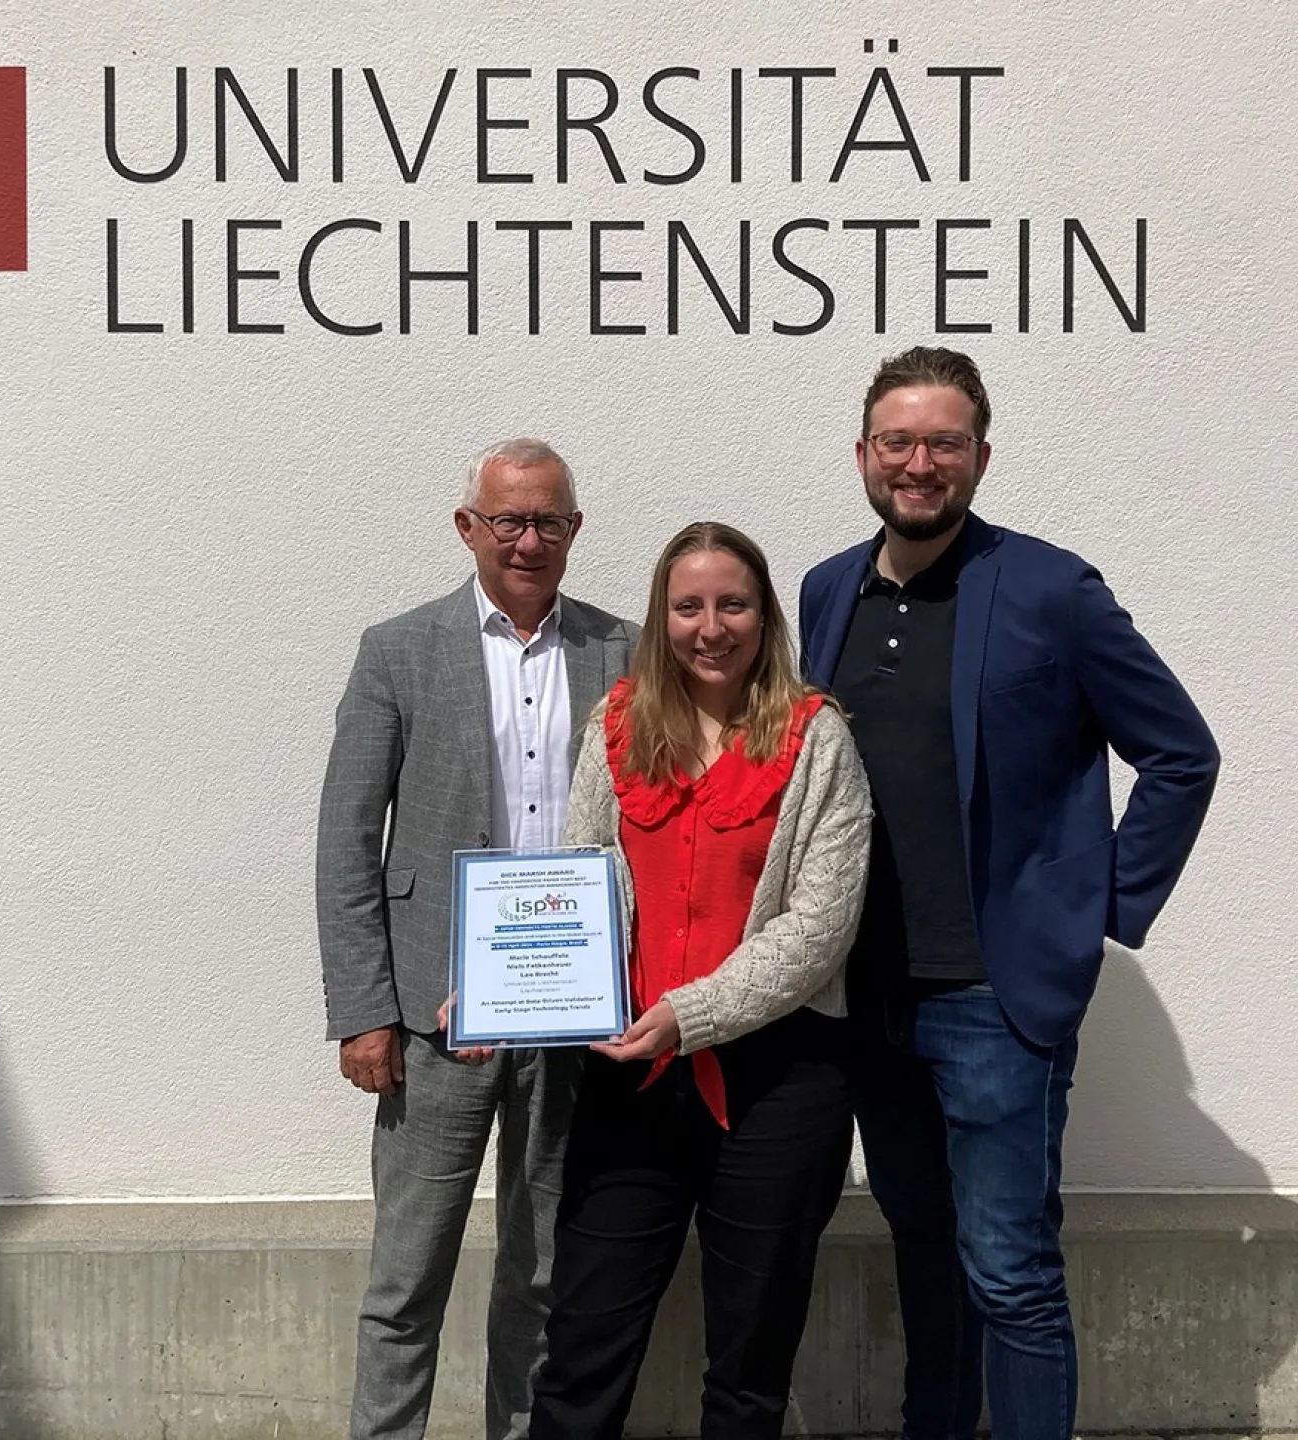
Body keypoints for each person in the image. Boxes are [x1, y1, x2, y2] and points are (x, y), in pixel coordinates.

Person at [798, 346, 1221, 1440]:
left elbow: (1181, 754)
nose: (920, 463)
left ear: (981, 456)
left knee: (1010, 1272)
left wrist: (1104, 906)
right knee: (922, 1255)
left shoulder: (1053, 589)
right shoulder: (825, 590)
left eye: (944, 442)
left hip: (994, 999)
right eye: (899, 440)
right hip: (869, 998)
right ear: (863, 454)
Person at [316, 437, 638, 1440]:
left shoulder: (624, 652)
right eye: (510, 520)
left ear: (575, 531)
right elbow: (346, 839)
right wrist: (365, 1011)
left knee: (543, 1277)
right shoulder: (398, 651)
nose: (529, 539)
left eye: (550, 521)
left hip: (576, 1017)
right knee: (407, 1279)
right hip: (430, 1019)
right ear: (470, 528)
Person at [523, 521, 872, 1440]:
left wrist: (694, 1013)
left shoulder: (817, 738)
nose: (709, 626)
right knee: (582, 1346)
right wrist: (506, 985)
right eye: (688, 606)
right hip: (628, 1077)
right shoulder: (618, 725)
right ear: (660, 616)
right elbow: (579, 877)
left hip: (778, 1084)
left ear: (764, 618)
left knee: (750, 1366)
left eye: (732, 604)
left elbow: (820, 929)